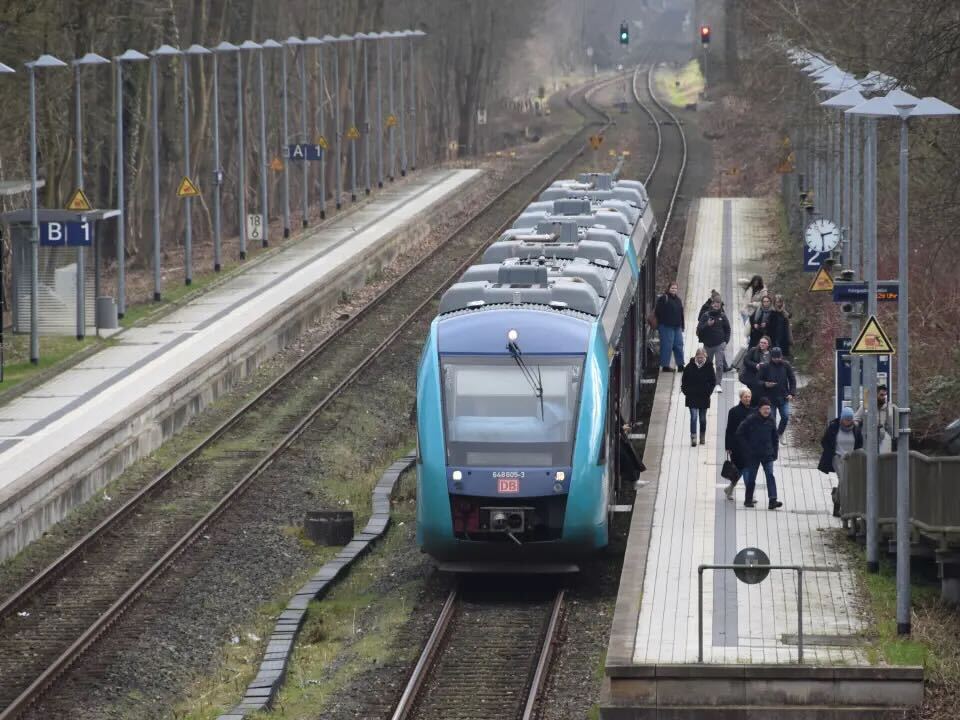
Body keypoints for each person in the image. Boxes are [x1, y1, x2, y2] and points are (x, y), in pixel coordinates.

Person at [735, 397, 782, 509]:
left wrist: (775, 452)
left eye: (769, 409)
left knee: (770, 476)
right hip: (753, 454)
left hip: (767, 454)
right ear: (759, 409)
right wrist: (747, 448)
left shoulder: (771, 420)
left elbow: (775, 438)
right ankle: (748, 500)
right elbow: (739, 433)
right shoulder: (751, 419)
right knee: (752, 477)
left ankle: (773, 500)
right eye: (765, 409)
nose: (767, 411)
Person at [819, 407, 864, 517]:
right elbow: (824, 441)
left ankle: (836, 498)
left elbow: (859, 443)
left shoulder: (856, 429)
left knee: (846, 482)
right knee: (844, 480)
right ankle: (843, 508)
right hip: (838, 458)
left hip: (851, 459)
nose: (849, 422)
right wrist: (832, 452)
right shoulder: (834, 427)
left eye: (850, 419)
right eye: (846, 419)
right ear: (842, 419)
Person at [757, 347, 796, 440]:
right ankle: (773, 436)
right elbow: (758, 381)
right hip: (770, 398)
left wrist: (792, 393)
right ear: (771, 357)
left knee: (785, 416)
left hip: (784, 397)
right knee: (772, 419)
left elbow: (792, 379)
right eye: (775, 358)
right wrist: (766, 384)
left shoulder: (786, 365)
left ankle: (779, 433)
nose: (777, 359)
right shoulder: (766, 366)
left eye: (779, 357)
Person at [681, 346, 716, 447]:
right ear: (695, 357)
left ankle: (702, 436)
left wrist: (708, 391)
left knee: (702, 419)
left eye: (702, 357)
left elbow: (713, 381)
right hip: (692, 397)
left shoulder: (709, 367)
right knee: (694, 417)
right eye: (698, 357)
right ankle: (693, 437)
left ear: (705, 357)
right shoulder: (689, 366)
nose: (700, 359)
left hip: (704, 397)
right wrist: (686, 392)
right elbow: (684, 381)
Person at [723, 386, 753, 499]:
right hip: (736, 446)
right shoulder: (733, 411)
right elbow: (729, 430)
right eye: (745, 397)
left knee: (743, 470)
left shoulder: (753, 411)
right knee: (742, 469)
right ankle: (749, 495)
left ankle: (730, 489)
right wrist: (728, 446)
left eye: (749, 396)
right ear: (741, 398)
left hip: (749, 446)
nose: (748, 399)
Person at [696, 298, 731, 390]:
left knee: (719, 365)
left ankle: (718, 384)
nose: (716, 305)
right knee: (707, 364)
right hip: (708, 345)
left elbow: (728, 329)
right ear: (712, 304)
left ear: (720, 305)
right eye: (715, 303)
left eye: (718, 303)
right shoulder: (705, 315)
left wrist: (725, 341)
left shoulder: (723, 316)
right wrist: (707, 324)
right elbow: (699, 328)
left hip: (719, 345)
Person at [854, 384, 896, 453]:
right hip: (867, 440)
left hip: (881, 440)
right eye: (881, 395)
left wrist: (894, 437)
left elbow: (890, 426)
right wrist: (858, 426)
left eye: (885, 395)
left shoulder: (887, 408)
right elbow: (856, 419)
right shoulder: (866, 406)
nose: (884, 397)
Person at [655, 281, 685, 372]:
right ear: (668, 289)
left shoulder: (678, 300)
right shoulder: (664, 298)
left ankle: (680, 365)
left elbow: (681, 314)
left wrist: (682, 325)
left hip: (677, 327)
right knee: (667, 346)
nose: (674, 290)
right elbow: (657, 311)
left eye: (675, 288)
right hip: (666, 326)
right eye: (672, 288)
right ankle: (665, 366)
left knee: (679, 345)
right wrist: (665, 319)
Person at [739, 335, 770, 406]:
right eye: (761, 342)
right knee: (753, 398)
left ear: (768, 344)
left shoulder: (770, 353)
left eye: (764, 343)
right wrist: (756, 365)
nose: (762, 344)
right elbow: (746, 360)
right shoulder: (754, 350)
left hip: (764, 380)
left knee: (762, 399)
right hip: (753, 378)